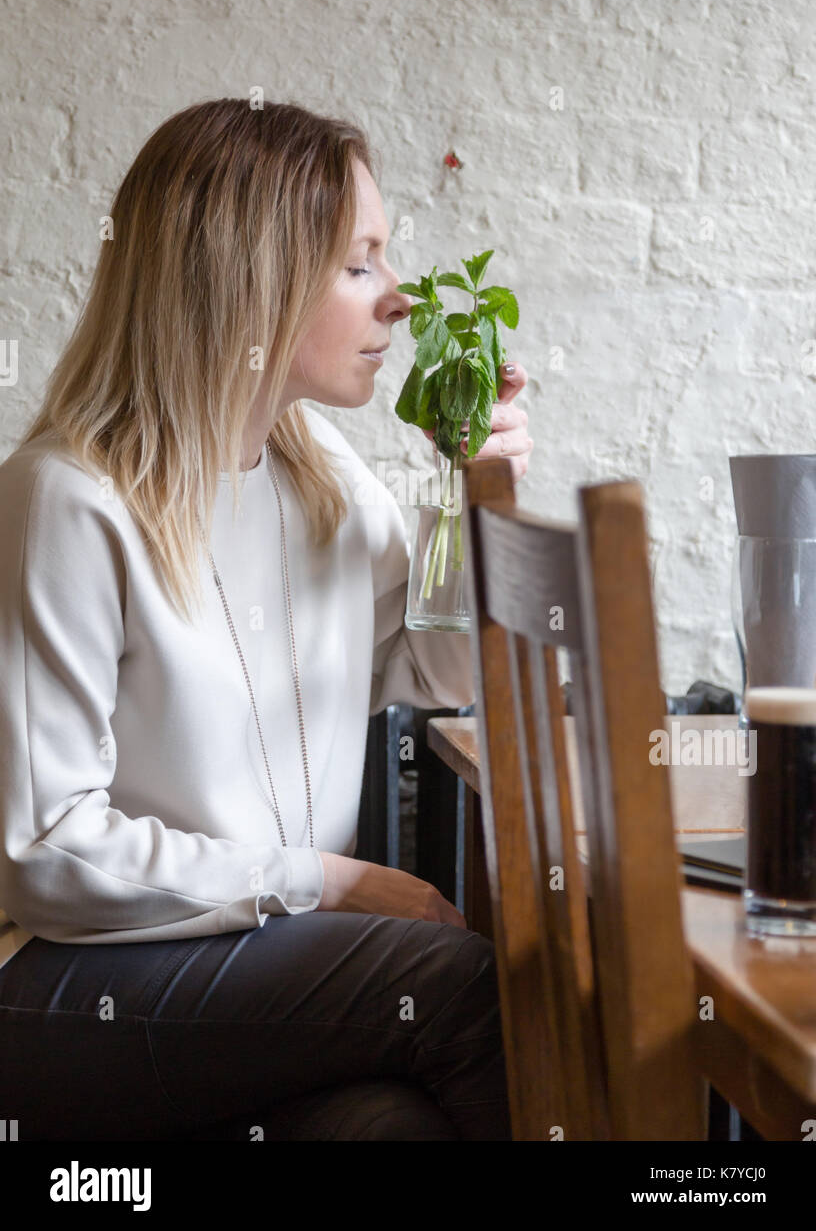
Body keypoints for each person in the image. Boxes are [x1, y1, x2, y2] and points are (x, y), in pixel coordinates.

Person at [0, 98, 533, 1141]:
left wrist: (474, 502)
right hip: (61, 984)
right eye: (360, 263)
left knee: (386, 1128)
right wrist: (328, 884)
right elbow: (45, 853)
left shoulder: (318, 474)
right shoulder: (63, 500)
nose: (403, 298)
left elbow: (435, 670)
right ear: (248, 283)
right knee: (458, 981)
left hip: (243, 977)